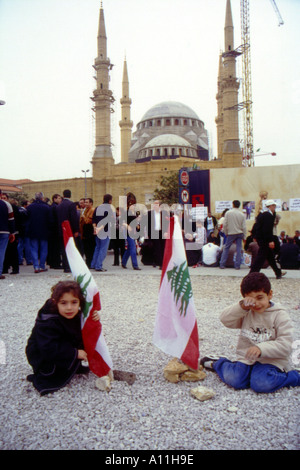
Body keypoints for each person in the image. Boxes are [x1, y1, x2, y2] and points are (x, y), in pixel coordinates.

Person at [201, 272, 300, 393]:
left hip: (271, 361)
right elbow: (225, 320)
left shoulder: (280, 315)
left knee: (261, 384)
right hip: (246, 359)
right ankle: (217, 363)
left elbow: (286, 345)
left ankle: (294, 376)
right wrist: (242, 306)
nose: (256, 304)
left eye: (260, 298)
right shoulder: (246, 312)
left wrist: (261, 348)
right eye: (251, 300)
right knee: (234, 380)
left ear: (270, 295)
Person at [25, 280, 100, 395]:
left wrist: (92, 318)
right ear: (55, 303)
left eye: (74, 302)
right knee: (53, 376)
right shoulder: (48, 321)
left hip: (58, 348)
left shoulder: (75, 314)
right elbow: (48, 347)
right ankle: (61, 367)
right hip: (43, 354)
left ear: (80, 302)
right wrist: (74, 354)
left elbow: (86, 330)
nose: (69, 308)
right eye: (63, 303)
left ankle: (71, 364)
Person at [250, 200, 285, 279]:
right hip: (265, 239)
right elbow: (267, 229)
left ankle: (278, 272)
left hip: (261, 238)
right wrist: (270, 240)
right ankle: (252, 273)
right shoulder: (268, 216)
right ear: (270, 206)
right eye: (273, 206)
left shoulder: (262, 214)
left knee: (270, 256)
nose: (274, 207)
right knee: (261, 257)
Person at [26, 192, 51, 273]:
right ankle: (42, 265)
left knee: (34, 249)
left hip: (33, 231)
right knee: (44, 249)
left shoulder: (29, 207)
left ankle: (36, 266)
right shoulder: (47, 207)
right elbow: (50, 220)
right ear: (42, 198)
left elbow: (26, 220)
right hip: (44, 231)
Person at [56, 189, 80, 272]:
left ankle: (65, 266)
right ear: (70, 195)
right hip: (69, 230)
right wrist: (76, 230)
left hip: (61, 230)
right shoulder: (71, 204)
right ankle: (71, 265)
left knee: (63, 249)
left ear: (63, 195)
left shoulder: (59, 205)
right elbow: (74, 218)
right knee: (71, 248)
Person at [219, 200, 247, 270]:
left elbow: (225, 224)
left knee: (226, 248)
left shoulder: (228, 213)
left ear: (233, 204)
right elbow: (244, 227)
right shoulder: (242, 214)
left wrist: (226, 233)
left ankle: (222, 264)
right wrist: (245, 236)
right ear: (239, 205)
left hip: (231, 233)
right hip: (240, 233)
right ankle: (237, 265)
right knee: (238, 249)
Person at [91, 194, 114, 272]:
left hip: (97, 231)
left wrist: (95, 228)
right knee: (103, 249)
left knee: (97, 248)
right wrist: (100, 228)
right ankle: (98, 266)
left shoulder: (97, 207)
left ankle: (93, 264)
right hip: (105, 231)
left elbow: (93, 219)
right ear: (110, 200)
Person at [122, 192, 141, 270]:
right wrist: (128, 226)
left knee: (129, 248)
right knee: (133, 248)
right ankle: (135, 265)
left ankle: (123, 262)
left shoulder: (136, 213)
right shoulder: (126, 213)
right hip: (129, 233)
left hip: (134, 232)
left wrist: (138, 225)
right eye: (130, 204)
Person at [0, 190, 15, 279]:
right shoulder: (6, 204)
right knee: (1, 252)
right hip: (4, 231)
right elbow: (11, 219)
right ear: (1, 194)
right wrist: (12, 232)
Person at [80, 198, 95, 268]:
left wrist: (83, 217)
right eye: (85, 202)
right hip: (84, 232)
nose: (85, 204)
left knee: (90, 248)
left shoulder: (92, 210)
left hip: (89, 231)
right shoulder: (85, 210)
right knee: (86, 249)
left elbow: (89, 221)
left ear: (91, 203)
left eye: (87, 202)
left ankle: (90, 263)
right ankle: (88, 262)